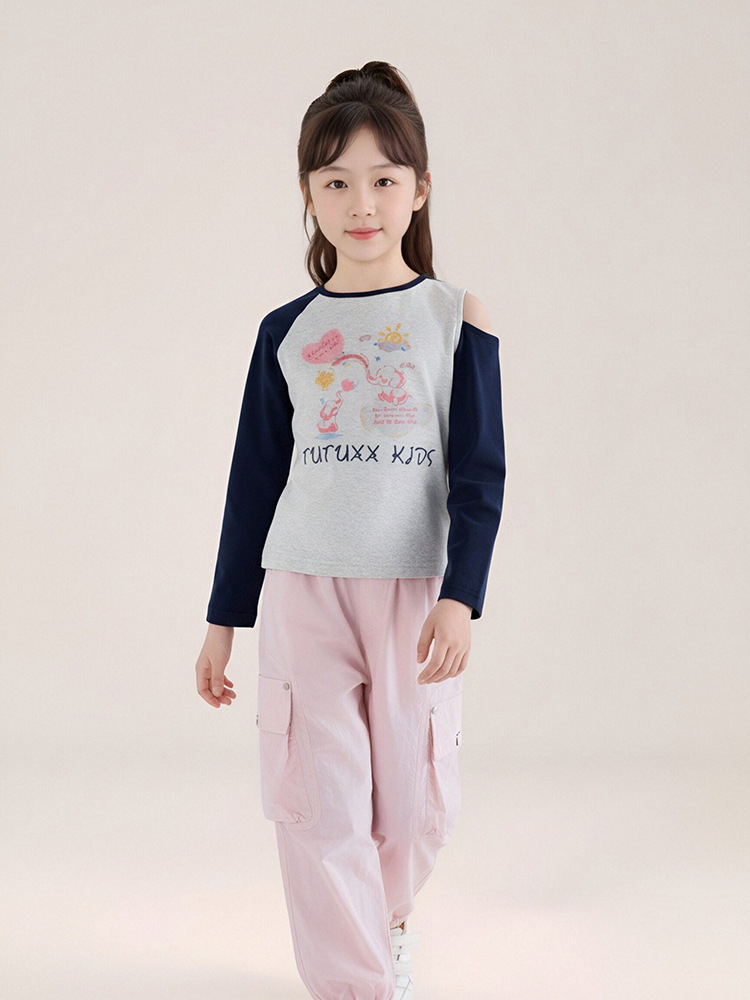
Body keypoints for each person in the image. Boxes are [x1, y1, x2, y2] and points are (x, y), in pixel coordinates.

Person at [194, 61, 506, 1000]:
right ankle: (357, 985)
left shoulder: (455, 317)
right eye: (335, 182)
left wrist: (461, 598)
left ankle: (388, 923)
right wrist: (223, 621)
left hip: (412, 596)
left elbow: (480, 473)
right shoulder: (285, 331)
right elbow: (253, 482)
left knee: (412, 805)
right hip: (303, 590)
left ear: (419, 189)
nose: (360, 204)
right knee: (319, 803)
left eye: (382, 179)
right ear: (308, 195)